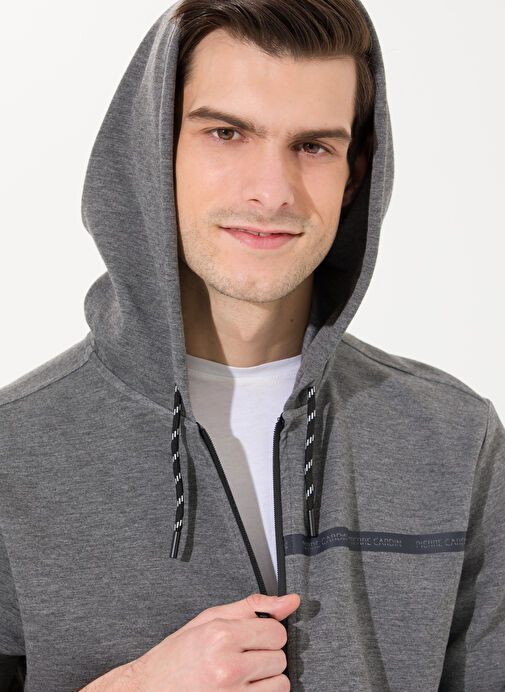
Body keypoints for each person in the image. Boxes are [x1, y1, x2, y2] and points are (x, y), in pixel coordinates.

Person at [0, 0, 503, 689]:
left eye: (313, 146)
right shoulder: (14, 452)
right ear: (154, 152)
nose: (272, 192)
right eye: (227, 133)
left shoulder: (453, 439)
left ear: (354, 171)